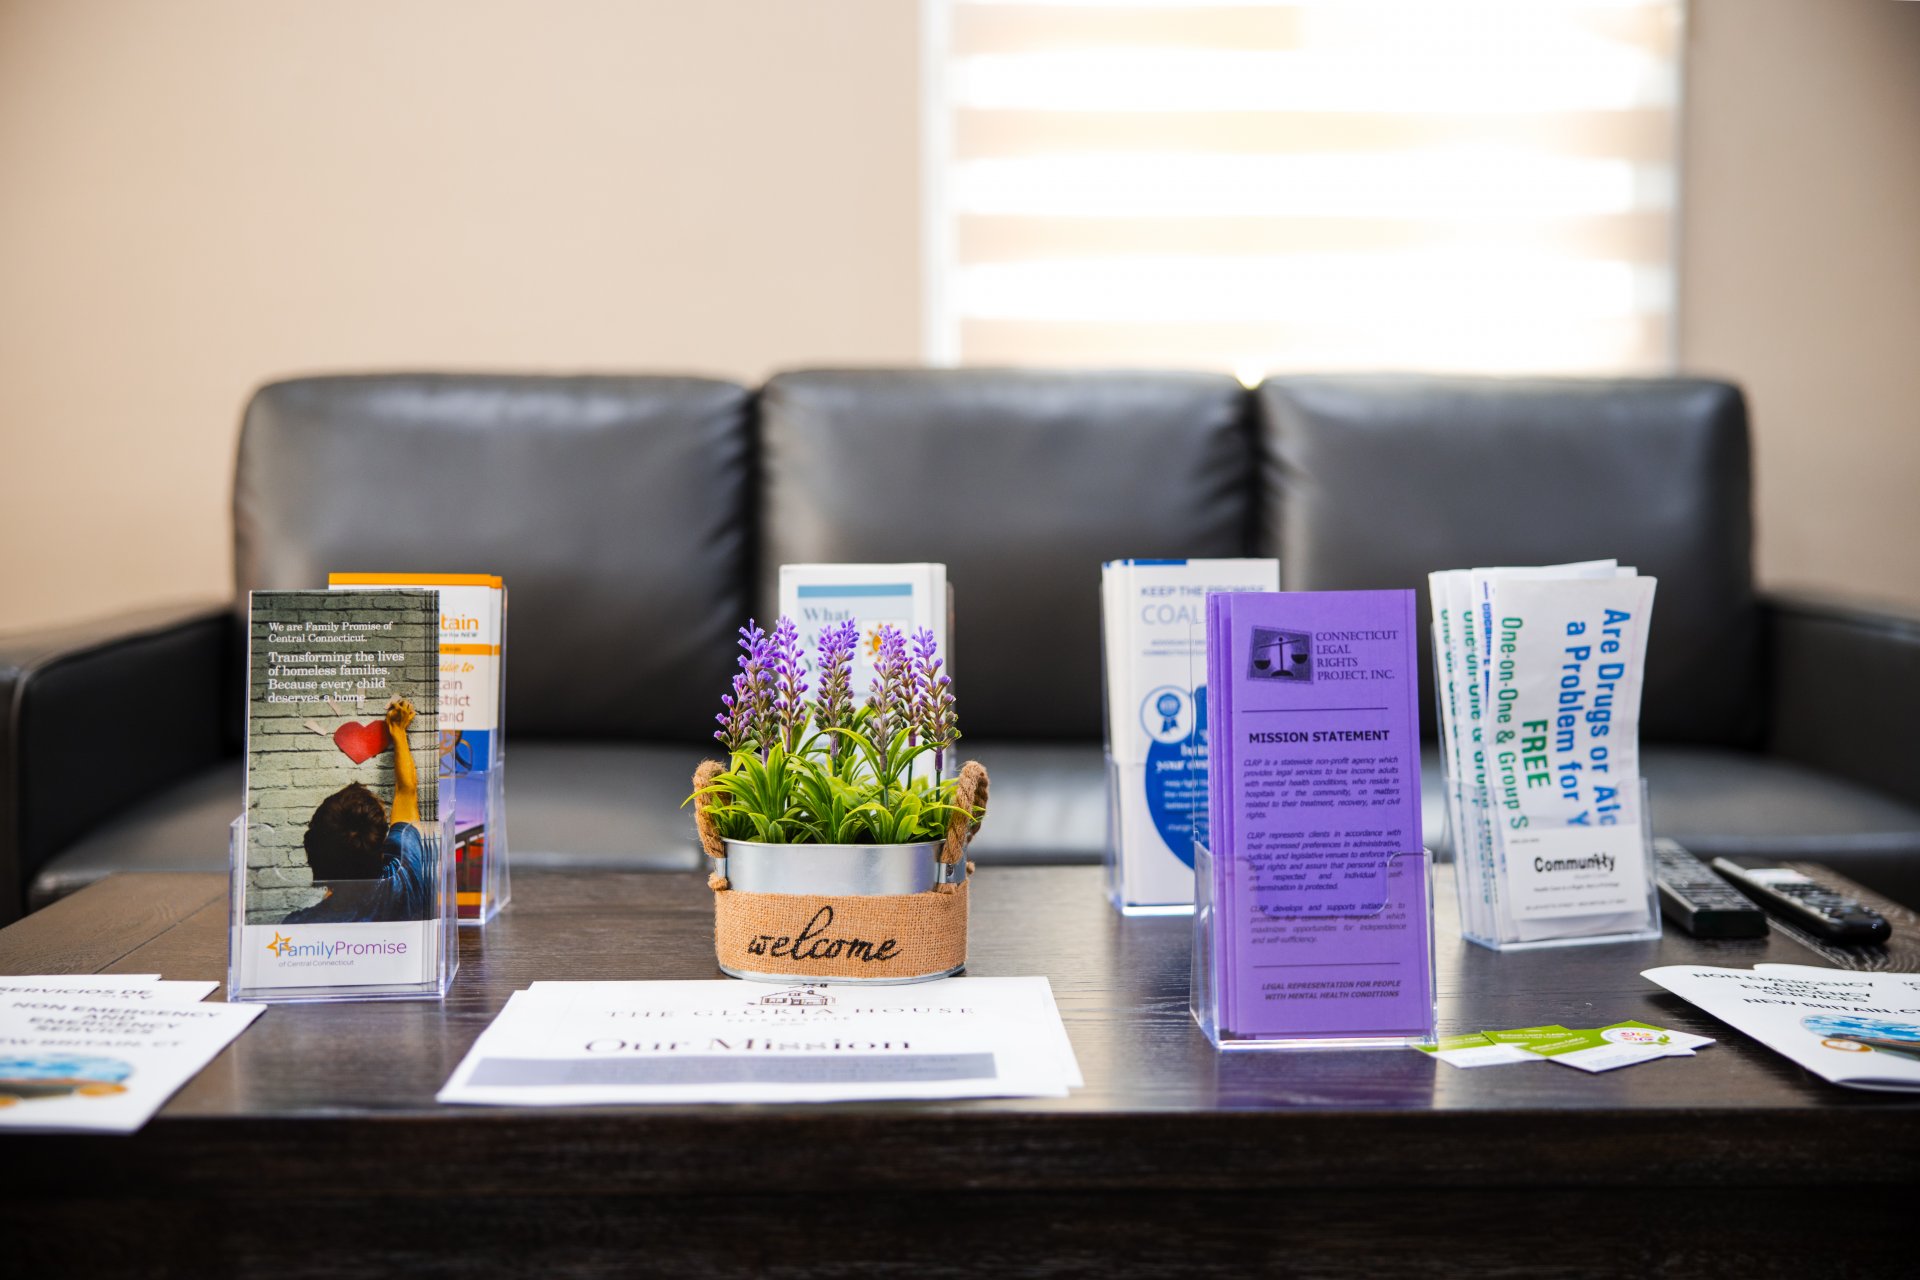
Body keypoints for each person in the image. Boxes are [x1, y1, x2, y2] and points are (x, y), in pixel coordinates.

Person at [284, 697, 435, 924]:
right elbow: (406, 792)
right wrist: (398, 731)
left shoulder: (298, 926)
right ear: (382, 850)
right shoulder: (404, 879)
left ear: (314, 855)